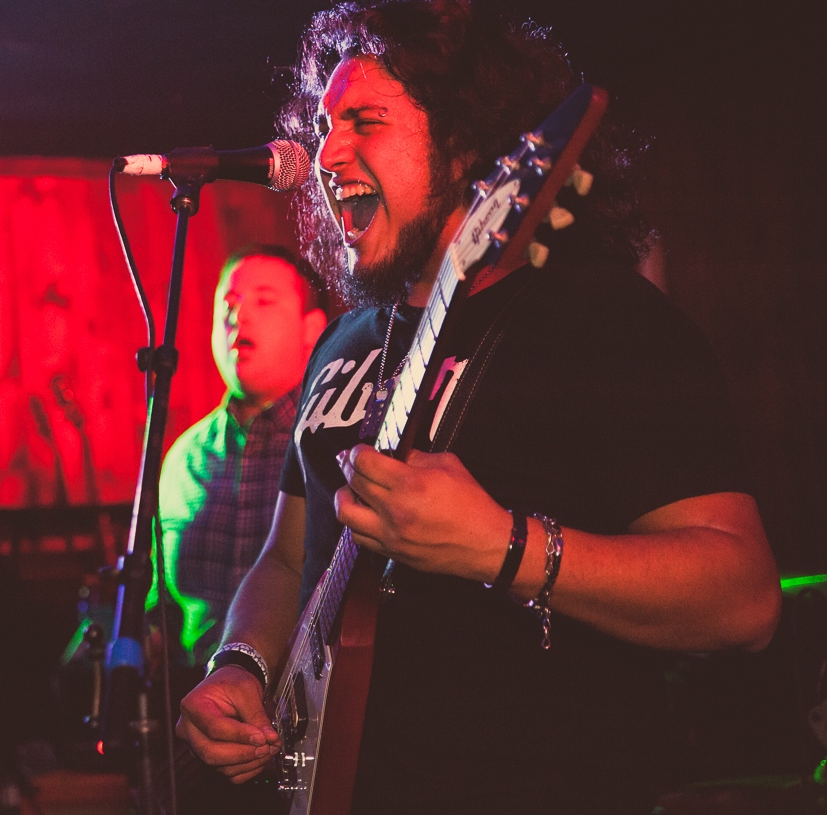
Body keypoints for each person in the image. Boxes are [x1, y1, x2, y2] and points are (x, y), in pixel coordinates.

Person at [175, 2, 782, 813]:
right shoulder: (342, 344)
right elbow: (288, 559)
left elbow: (742, 599)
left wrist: (502, 545)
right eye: (324, 124)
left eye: (364, 120)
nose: (325, 152)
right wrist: (240, 664)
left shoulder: (602, 322)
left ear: (468, 146)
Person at [149, 245, 327, 669]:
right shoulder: (185, 459)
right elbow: (159, 610)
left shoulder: (329, 442)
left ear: (312, 330)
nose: (239, 317)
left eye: (264, 301)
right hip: (199, 704)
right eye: (229, 305)